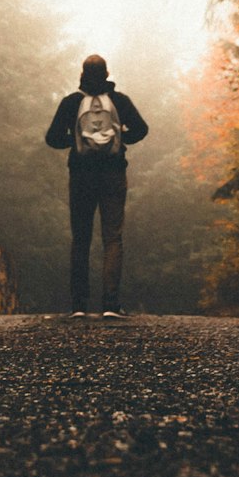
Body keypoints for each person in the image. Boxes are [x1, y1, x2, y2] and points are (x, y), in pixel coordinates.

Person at [45, 54, 149, 318]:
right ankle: (110, 304)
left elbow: (52, 138)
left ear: (82, 73)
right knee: (112, 237)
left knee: (81, 238)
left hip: (81, 175)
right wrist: (117, 138)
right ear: (106, 74)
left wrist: (78, 140)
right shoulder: (119, 101)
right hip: (113, 173)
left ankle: (79, 305)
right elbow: (141, 129)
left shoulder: (72, 102)